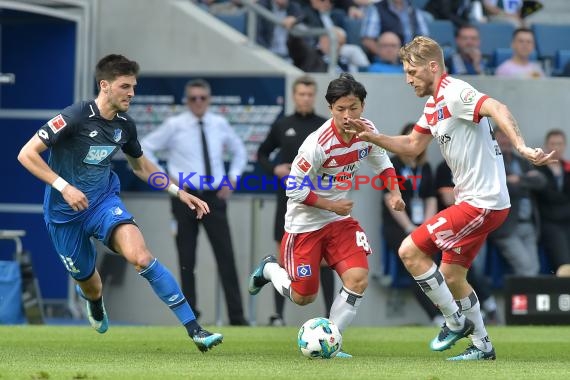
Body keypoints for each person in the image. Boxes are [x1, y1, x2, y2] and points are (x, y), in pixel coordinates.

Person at [346, 36, 554, 360]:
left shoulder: (455, 92)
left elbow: (497, 107)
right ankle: (483, 345)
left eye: (412, 72)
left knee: (409, 250)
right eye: (405, 73)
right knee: (453, 276)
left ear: (432, 67)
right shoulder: (433, 105)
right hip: (474, 202)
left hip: (481, 203)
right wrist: (373, 137)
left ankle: (455, 321)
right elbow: (413, 146)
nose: (408, 79)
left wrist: (522, 145)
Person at [17, 54, 223, 352]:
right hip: (65, 215)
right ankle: (95, 301)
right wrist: (64, 187)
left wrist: (180, 191)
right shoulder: (75, 116)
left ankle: (196, 330)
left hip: (103, 203)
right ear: (105, 86)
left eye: (133, 87)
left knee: (140, 256)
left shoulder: (125, 125)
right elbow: (26, 154)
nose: (131, 93)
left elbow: (141, 167)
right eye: (125, 86)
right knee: (91, 284)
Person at [249, 73, 405, 357]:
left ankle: (331, 340)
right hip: (304, 224)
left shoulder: (366, 131)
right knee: (303, 297)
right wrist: (331, 205)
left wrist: (394, 192)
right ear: (331, 109)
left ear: (363, 106)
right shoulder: (317, 143)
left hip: (339, 222)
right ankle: (270, 269)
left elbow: (382, 162)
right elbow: (293, 187)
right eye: (341, 109)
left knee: (357, 278)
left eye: (353, 107)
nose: (348, 115)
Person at [141, 79, 249, 326]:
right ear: (186, 100)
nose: (198, 102)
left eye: (203, 98)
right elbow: (145, 147)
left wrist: (232, 178)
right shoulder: (175, 125)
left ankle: (237, 317)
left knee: (226, 257)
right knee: (186, 259)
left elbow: (240, 151)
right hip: (186, 197)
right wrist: (165, 177)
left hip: (213, 197)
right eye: (193, 98)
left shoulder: (218, 123)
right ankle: (191, 317)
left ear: (209, 99)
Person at [257, 75, 335, 326]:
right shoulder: (282, 125)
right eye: (301, 94)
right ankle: (278, 316)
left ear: (315, 97)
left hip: (319, 199)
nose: (305, 98)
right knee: (285, 256)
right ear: (294, 96)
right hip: (288, 201)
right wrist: (275, 169)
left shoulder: (324, 126)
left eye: (310, 94)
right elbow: (261, 153)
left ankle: (331, 315)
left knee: (323, 259)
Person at [381, 123, 440, 325]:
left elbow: (431, 198)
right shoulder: (392, 165)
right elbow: (389, 198)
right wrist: (409, 228)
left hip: (423, 226)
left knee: (444, 258)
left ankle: (457, 310)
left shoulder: (425, 167)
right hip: (398, 226)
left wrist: (426, 227)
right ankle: (436, 317)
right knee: (416, 262)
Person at [488, 128, 546, 276]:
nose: (506, 141)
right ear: (493, 139)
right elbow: (502, 189)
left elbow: (540, 182)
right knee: (527, 269)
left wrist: (518, 180)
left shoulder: (521, 161)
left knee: (534, 268)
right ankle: (523, 299)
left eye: (508, 137)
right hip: (507, 228)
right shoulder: (490, 161)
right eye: (502, 137)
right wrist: (527, 181)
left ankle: (525, 299)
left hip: (529, 225)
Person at [534, 129, 570, 275]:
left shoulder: (567, 168)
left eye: (560, 144)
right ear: (547, 145)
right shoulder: (538, 169)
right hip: (549, 223)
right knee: (563, 264)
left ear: (565, 145)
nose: (556, 147)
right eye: (553, 143)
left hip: (567, 221)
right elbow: (546, 195)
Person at [361, 0, 429, 60]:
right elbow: (368, 41)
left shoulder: (414, 10)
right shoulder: (376, 8)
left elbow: (424, 39)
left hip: (411, 60)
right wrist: (388, 55)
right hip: (384, 63)